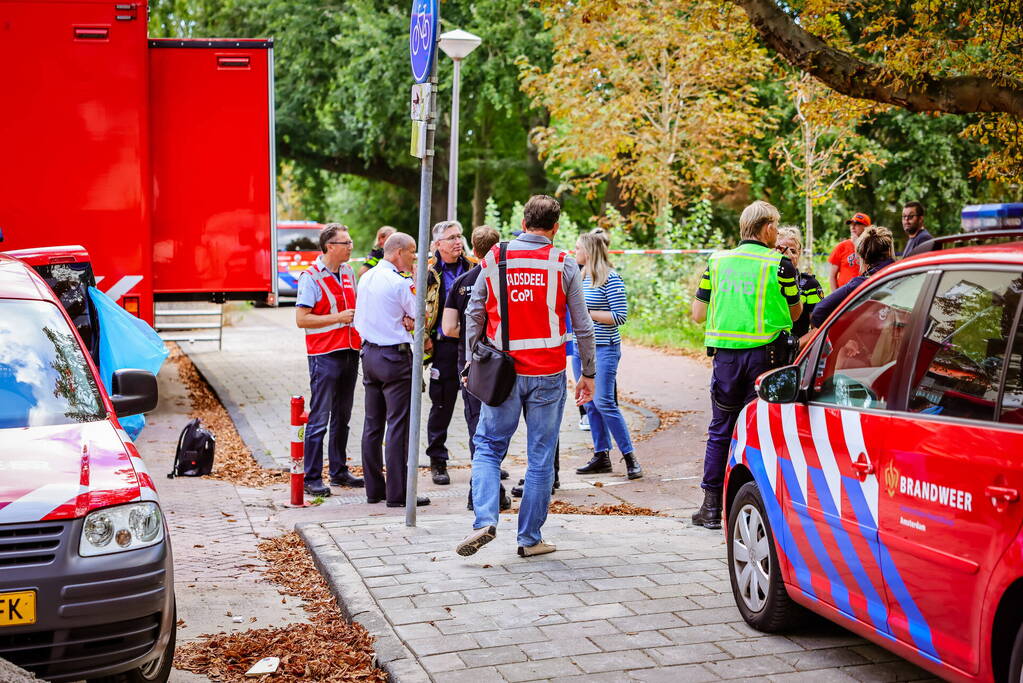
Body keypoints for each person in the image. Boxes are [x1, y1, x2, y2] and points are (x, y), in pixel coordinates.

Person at [455, 195, 595, 558]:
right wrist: (588, 373)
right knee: (541, 456)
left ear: (523, 222)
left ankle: (485, 520)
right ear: (555, 227)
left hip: (501, 373)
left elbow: (473, 312)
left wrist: (472, 359)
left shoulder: (496, 257)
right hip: (548, 372)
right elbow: (583, 326)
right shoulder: (563, 262)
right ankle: (530, 539)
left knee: (488, 447)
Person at [690, 200, 802, 529]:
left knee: (720, 429)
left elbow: (698, 314)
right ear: (766, 228)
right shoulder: (780, 264)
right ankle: (760, 507)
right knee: (761, 431)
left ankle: (711, 507)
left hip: (725, 360)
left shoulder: (717, 261)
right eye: (775, 226)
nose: (777, 232)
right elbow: (796, 314)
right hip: (766, 359)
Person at [353, 232, 430, 508]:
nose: (414, 257)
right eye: (412, 252)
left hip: (369, 354)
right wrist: (410, 317)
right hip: (395, 358)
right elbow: (421, 314)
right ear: (398, 252)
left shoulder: (367, 277)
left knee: (372, 424)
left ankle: (374, 490)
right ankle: (398, 494)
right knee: (398, 425)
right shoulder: (400, 282)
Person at [440, 225, 510, 511]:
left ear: (473, 246)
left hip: (472, 364)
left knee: (477, 428)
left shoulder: (462, 282)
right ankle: (489, 490)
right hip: (503, 364)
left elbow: (448, 328)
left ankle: (479, 492)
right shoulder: (506, 277)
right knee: (500, 427)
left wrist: (474, 336)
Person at [294, 224, 365, 497]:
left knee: (342, 416)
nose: (351, 247)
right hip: (324, 354)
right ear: (330, 246)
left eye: (351, 242)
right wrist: (338, 318)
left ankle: (338, 471)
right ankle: (311, 477)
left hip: (350, 350)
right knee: (320, 417)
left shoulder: (347, 272)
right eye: (346, 243)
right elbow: (302, 319)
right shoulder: (310, 277)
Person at [573, 231, 642, 480]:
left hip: (605, 348)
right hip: (581, 349)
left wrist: (586, 312)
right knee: (589, 403)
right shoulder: (580, 276)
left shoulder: (611, 278)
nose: (574, 252)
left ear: (589, 252)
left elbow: (619, 316)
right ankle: (601, 455)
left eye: (577, 248)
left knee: (604, 402)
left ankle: (630, 457)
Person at [423, 220, 473, 485]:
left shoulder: (474, 268)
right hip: (444, 347)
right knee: (441, 404)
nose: (457, 241)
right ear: (437, 244)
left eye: (459, 236)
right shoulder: (429, 273)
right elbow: (418, 308)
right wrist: (424, 339)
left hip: (473, 346)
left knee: (477, 405)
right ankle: (438, 461)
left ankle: (484, 461)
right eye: (451, 237)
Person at [810, 226, 895, 328]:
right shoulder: (899, 275)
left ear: (862, 258)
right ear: (889, 251)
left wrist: (847, 327)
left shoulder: (861, 284)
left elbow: (819, 312)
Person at [775, 226, 824, 338]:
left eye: (793, 251)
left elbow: (818, 328)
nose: (788, 256)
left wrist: (797, 345)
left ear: (799, 254)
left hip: (798, 346)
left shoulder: (810, 285)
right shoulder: (763, 279)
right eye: (782, 251)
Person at [827, 212, 871, 290]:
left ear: (866, 228)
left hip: (865, 292)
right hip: (845, 293)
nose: (853, 227)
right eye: (851, 224)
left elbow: (869, 271)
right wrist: (836, 295)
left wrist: (857, 245)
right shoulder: (841, 246)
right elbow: (832, 276)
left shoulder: (872, 246)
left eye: (857, 224)